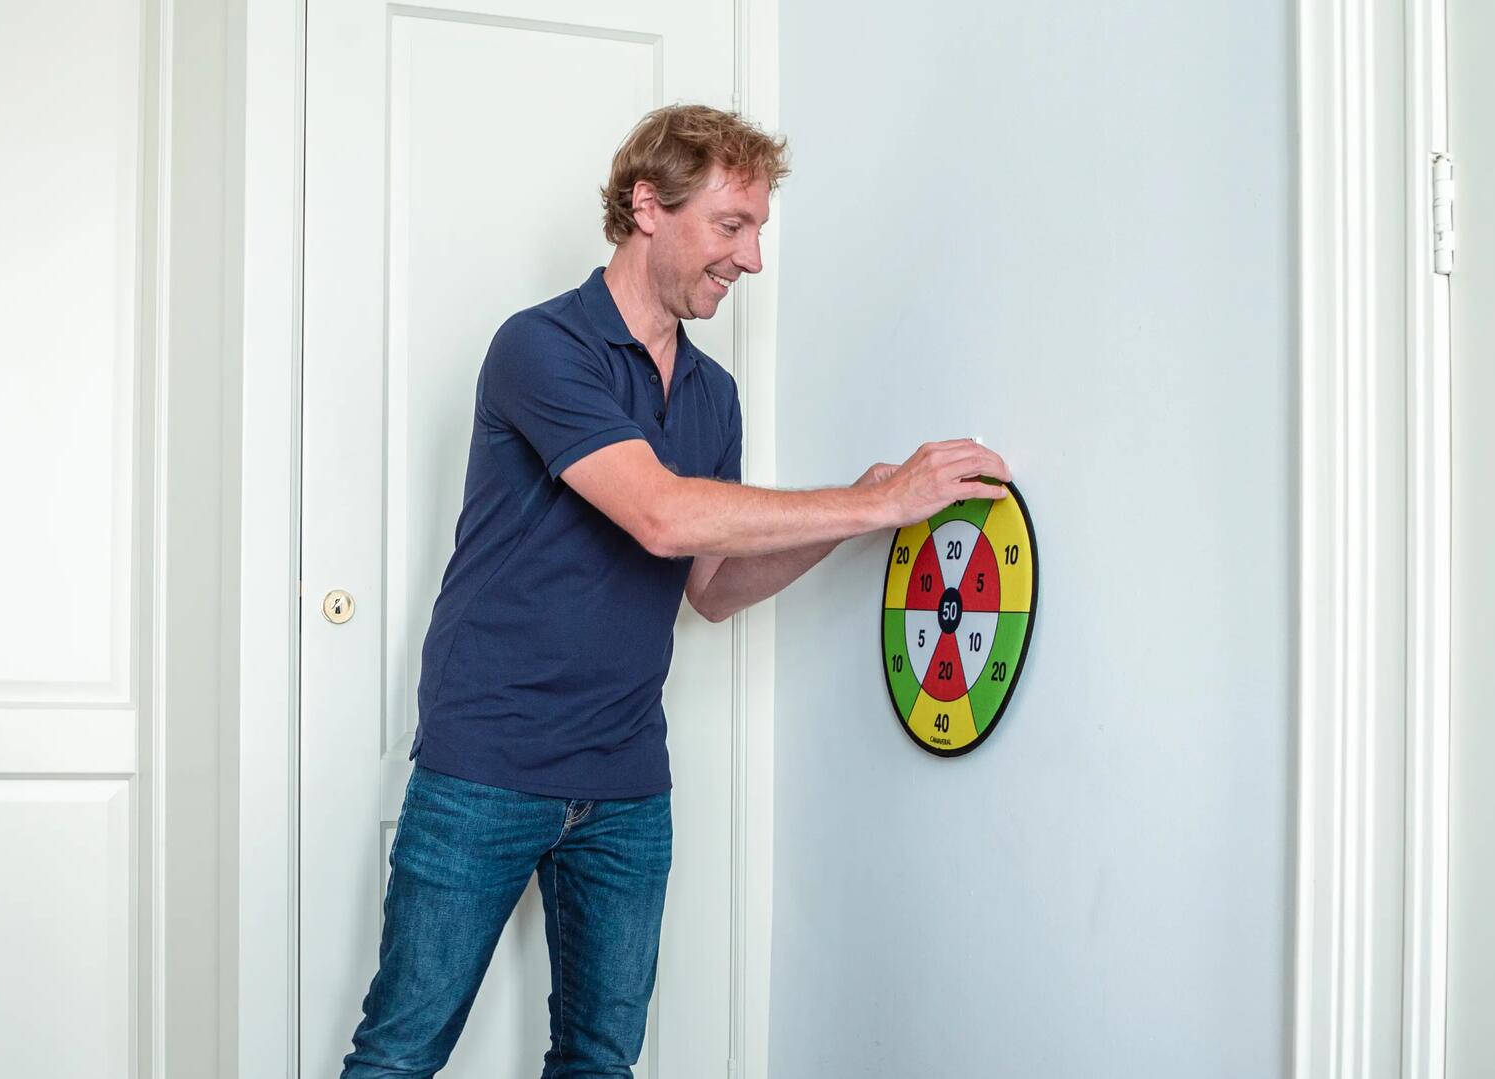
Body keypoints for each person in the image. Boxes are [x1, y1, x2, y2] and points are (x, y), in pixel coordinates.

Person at [339, 104, 1010, 1079]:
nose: (752, 258)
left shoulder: (711, 395)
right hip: (488, 760)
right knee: (402, 1050)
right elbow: (660, 514)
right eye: (732, 225)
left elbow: (714, 587)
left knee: (601, 1060)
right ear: (647, 205)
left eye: (759, 231)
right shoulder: (541, 348)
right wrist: (870, 496)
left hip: (625, 780)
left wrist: (866, 515)